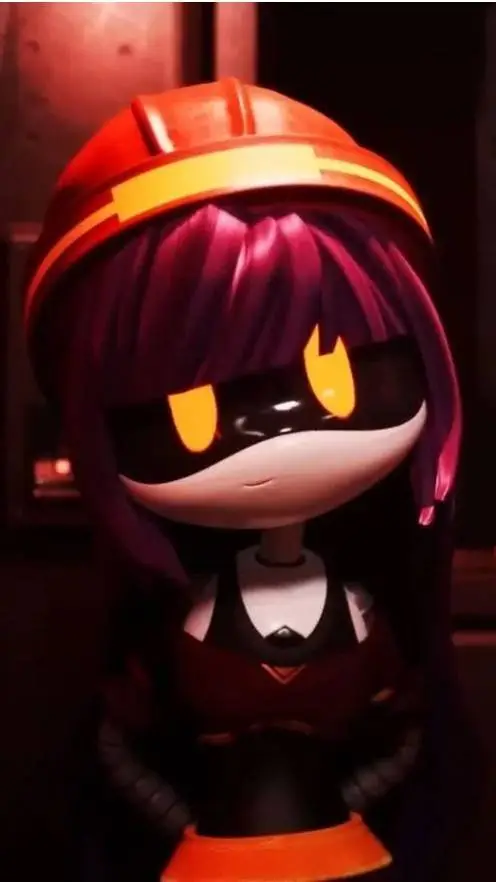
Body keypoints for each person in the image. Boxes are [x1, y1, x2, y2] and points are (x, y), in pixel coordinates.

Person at [24, 79, 474, 881]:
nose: (276, 435)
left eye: (334, 379)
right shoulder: (159, 628)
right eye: (195, 413)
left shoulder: (381, 612)